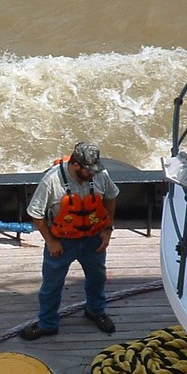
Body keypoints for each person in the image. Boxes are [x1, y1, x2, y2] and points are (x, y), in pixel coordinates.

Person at [20, 141, 118, 339]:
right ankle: (47, 323)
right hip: (62, 242)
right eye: (88, 170)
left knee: (97, 277)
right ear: (75, 165)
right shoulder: (51, 180)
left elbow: (111, 196)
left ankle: (95, 311)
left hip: (93, 240)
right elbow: (36, 213)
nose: (92, 174)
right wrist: (50, 241)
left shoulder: (100, 175)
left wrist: (107, 229)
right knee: (51, 285)